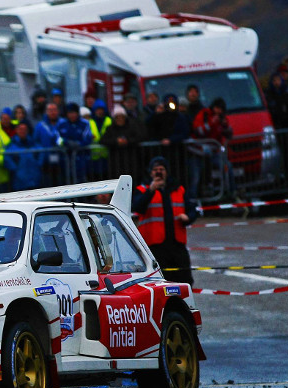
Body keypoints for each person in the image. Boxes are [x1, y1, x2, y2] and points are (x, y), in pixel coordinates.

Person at [132, 156, 198, 284]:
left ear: (166, 171)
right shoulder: (143, 189)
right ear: (150, 172)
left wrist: (188, 217)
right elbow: (137, 207)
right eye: (155, 169)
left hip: (177, 244)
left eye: (161, 169)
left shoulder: (179, 189)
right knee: (160, 282)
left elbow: (193, 209)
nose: (159, 172)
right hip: (154, 246)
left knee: (185, 280)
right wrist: (151, 190)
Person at [191, 97, 234, 197]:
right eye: (217, 108)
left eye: (221, 109)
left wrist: (225, 126)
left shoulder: (222, 118)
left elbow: (230, 134)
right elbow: (197, 131)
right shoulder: (204, 114)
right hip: (199, 152)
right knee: (196, 175)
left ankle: (231, 192)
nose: (219, 111)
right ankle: (194, 197)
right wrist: (211, 123)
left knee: (227, 167)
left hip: (215, 152)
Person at [100, 105, 145, 177]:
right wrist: (116, 141)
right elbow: (103, 140)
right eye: (117, 117)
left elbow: (140, 137)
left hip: (131, 159)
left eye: (121, 117)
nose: (120, 119)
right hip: (116, 161)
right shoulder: (110, 128)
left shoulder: (132, 127)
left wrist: (128, 141)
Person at [57, 103, 93, 183]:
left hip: (82, 159)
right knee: (67, 181)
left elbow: (88, 138)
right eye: (70, 113)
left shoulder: (85, 123)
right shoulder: (62, 124)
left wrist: (78, 145)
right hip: (66, 159)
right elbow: (58, 139)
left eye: (74, 112)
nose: (72, 115)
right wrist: (67, 142)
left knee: (83, 182)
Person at [4, 122, 44, 191]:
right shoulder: (12, 144)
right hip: (19, 182)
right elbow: (7, 159)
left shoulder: (33, 143)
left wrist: (38, 164)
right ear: (16, 130)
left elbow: (42, 153)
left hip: (35, 180)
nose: (22, 131)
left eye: (24, 129)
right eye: (20, 129)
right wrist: (15, 169)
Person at [34, 102, 66, 186]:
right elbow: (35, 141)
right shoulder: (40, 126)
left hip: (63, 160)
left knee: (62, 183)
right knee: (49, 184)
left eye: (54, 110)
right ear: (46, 112)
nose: (53, 112)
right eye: (50, 110)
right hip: (46, 162)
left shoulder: (64, 123)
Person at [88, 100, 112, 179]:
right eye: (98, 110)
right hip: (94, 157)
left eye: (101, 110)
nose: (100, 112)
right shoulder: (90, 122)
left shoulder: (109, 120)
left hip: (106, 156)